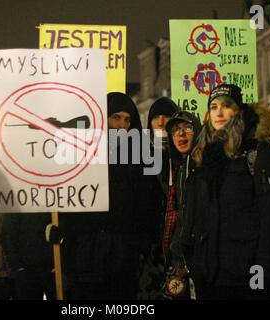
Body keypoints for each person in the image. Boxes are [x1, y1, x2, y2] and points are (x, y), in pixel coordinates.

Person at [189, 84, 270, 300]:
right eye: (213, 107)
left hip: (246, 275)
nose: (219, 112)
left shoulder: (257, 151)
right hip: (212, 275)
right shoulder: (204, 154)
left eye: (226, 106)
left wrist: (260, 276)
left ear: (238, 111)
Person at [61, 92, 146, 299]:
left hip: (123, 258)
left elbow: (142, 207)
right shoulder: (82, 155)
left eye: (127, 119)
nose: (122, 125)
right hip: (86, 256)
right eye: (116, 117)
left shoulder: (138, 158)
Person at [137, 97, 179, 299]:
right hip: (149, 245)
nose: (161, 122)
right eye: (156, 118)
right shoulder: (139, 155)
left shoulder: (184, 154)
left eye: (167, 117)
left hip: (176, 240)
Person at [162, 111, 202, 299]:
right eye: (176, 130)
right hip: (179, 259)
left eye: (188, 128)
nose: (181, 134)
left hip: (198, 260)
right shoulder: (178, 168)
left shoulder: (203, 167)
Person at [1, 211, 57, 300]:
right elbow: (7, 234)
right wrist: (17, 266)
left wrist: (59, 262)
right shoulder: (17, 205)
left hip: (51, 267)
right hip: (26, 269)